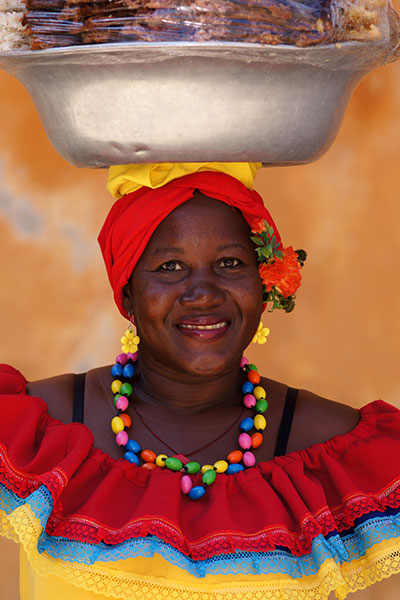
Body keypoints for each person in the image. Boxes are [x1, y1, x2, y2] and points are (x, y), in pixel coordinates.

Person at [0, 162, 399, 600]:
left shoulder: (334, 452)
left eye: (229, 263)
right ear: (127, 293)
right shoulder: (35, 434)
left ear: (265, 283)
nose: (204, 292)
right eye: (171, 266)